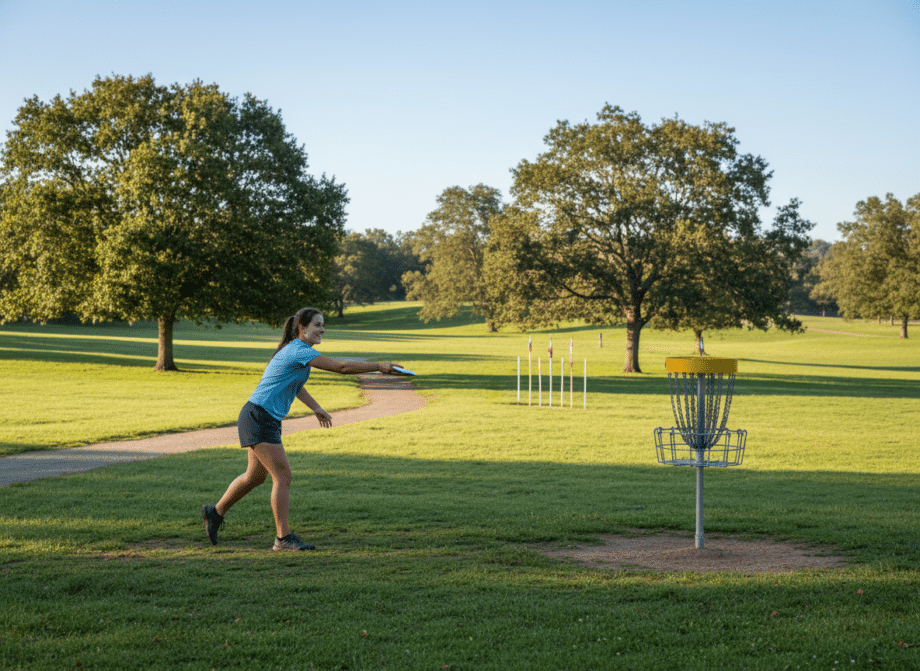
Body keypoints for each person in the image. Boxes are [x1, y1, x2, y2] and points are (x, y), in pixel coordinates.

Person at [201, 307, 401, 551]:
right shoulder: (298, 349)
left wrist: (316, 408)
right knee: (282, 476)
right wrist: (378, 366)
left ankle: (215, 512)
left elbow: (295, 385)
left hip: (262, 417)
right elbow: (342, 367)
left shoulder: (298, 351)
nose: (322, 329)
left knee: (254, 477)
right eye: (317, 325)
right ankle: (283, 539)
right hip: (258, 416)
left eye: (323, 325)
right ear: (302, 328)